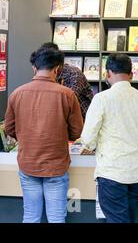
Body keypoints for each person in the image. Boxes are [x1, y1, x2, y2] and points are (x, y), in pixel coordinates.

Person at [4, 47, 83, 223]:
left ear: (34, 68)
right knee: (56, 218)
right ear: (58, 69)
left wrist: (27, 136)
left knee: (31, 216)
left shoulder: (17, 93)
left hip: (28, 163)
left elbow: (9, 128)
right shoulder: (67, 95)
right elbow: (77, 131)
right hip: (56, 165)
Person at [80, 53, 138, 223]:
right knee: (127, 218)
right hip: (135, 174)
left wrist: (95, 146)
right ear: (132, 75)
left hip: (112, 173)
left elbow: (88, 139)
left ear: (107, 74)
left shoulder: (101, 99)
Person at [38, 42, 93, 119]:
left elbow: (68, 101)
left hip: (81, 119)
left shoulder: (74, 74)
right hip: (59, 118)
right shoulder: (44, 74)